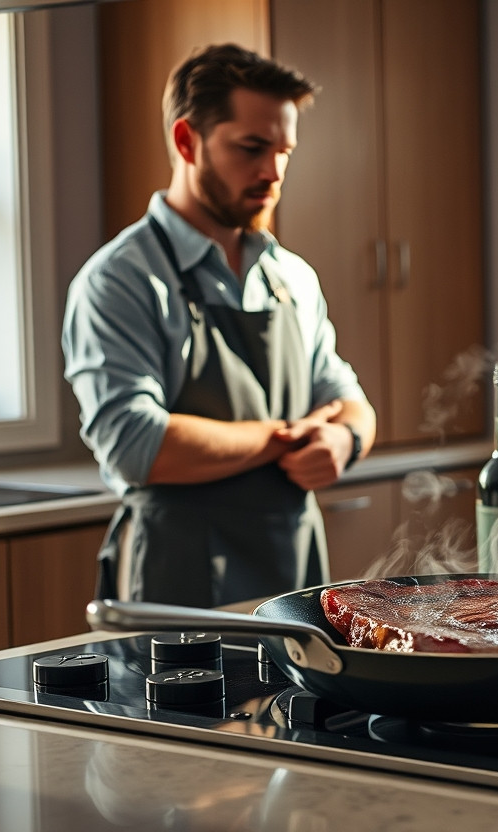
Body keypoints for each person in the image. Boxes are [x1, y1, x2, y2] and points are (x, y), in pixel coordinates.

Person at [62, 44, 376, 608]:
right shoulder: (119, 280)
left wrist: (340, 438)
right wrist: (286, 434)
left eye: (284, 151)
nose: (274, 171)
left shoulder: (292, 277)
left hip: (295, 572)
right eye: (252, 148)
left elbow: (350, 401)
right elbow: (138, 445)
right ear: (187, 142)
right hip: (175, 579)